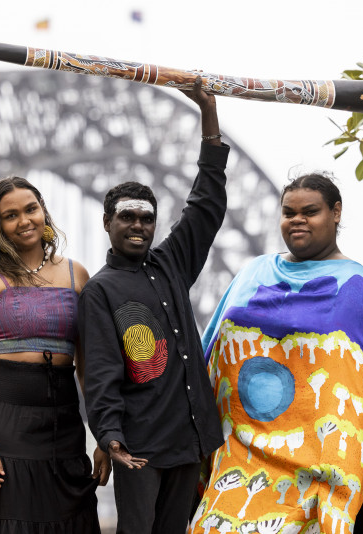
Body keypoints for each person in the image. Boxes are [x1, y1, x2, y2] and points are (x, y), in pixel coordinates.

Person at [189, 173, 363, 534]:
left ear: (336, 213)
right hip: (238, 459)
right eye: (289, 212)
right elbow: (208, 352)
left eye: (310, 211)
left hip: (320, 471)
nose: (297, 220)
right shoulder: (252, 273)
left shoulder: (361, 287)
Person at [78, 77, 229, 534]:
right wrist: (109, 437)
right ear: (107, 222)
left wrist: (208, 113)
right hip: (139, 446)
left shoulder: (172, 263)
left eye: (147, 218)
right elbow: (101, 372)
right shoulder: (100, 291)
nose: (138, 226)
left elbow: (206, 203)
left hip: (188, 439)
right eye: (127, 217)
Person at [0, 176, 111, 534]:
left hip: (62, 424)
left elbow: (87, 369)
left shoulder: (76, 274)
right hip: (2, 422)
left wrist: (103, 437)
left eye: (31, 209)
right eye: (11, 215)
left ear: (44, 212)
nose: (24, 221)